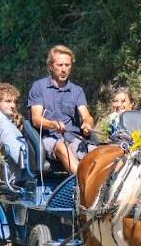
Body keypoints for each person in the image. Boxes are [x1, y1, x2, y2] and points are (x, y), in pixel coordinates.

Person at [27, 45, 95, 174]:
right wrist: (53, 124)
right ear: (51, 67)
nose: (64, 69)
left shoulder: (77, 91)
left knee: (100, 152)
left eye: (67, 65)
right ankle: (80, 183)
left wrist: (87, 124)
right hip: (48, 139)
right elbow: (36, 120)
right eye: (60, 65)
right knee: (62, 147)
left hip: (73, 139)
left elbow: (86, 116)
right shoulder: (39, 87)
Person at [0, 82, 26, 167]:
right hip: (17, 177)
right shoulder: (2, 124)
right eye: (8, 101)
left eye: (14, 101)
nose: (13, 105)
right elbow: (19, 158)